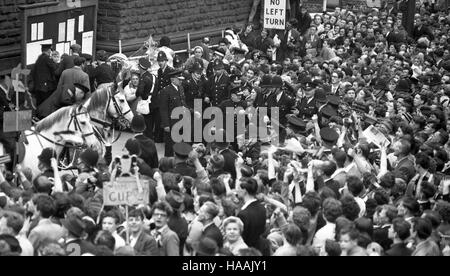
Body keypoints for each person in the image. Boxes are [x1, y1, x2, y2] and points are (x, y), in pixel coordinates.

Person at [159, 70, 188, 157]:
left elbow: (183, 103)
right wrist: (166, 124)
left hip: (181, 121)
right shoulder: (166, 91)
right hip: (171, 123)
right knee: (169, 146)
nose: (181, 81)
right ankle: (168, 164)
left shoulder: (181, 88)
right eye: (179, 79)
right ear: (173, 80)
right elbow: (163, 109)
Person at [237, 177, 266, 253]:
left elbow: (242, 238)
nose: (237, 191)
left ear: (244, 191)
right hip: (259, 250)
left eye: (238, 188)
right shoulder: (262, 207)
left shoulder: (243, 214)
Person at [135, 58, 159, 141]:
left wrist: (138, 94)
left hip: (146, 103)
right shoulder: (154, 77)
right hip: (154, 102)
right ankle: (151, 138)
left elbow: (139, 91)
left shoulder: (143, 78)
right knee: (151, 123)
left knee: (146, 124)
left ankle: (147, 141)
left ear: (140, 67)